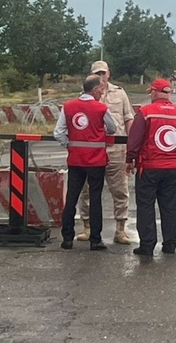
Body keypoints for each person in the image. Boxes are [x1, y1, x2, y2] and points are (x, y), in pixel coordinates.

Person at [126, 78, 176, 256]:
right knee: (169, 206)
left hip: (149, 167)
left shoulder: (145, 112)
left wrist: (129, 159)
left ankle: (147, 245)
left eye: (151, 91)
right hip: (172, 168)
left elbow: (134, 140)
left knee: (146, 206)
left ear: (154, 92)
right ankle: (170, 244)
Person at [54, 75, 118, 251]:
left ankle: (67, 238)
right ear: (95, 89)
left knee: (72, 197)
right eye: (101, 90)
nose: (102, 93)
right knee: (95, 199)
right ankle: (95, 240)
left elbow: (58, 132)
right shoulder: (101, 108)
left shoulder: (68, 107)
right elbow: (113, 128)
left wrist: (69, 145)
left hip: (75, 159)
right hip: (96, 160)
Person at [74, 60, 135, 245]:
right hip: (91, 150)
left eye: (103, 73)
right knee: (86, 191)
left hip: (115, 150)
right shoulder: (84, 96)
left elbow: (128, 119)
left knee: (119, 190)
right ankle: (87, 227)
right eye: (97, 74)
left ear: (109, 73)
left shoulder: (120, 93)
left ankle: (120, 229)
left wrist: (131, 150)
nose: (101, 77)